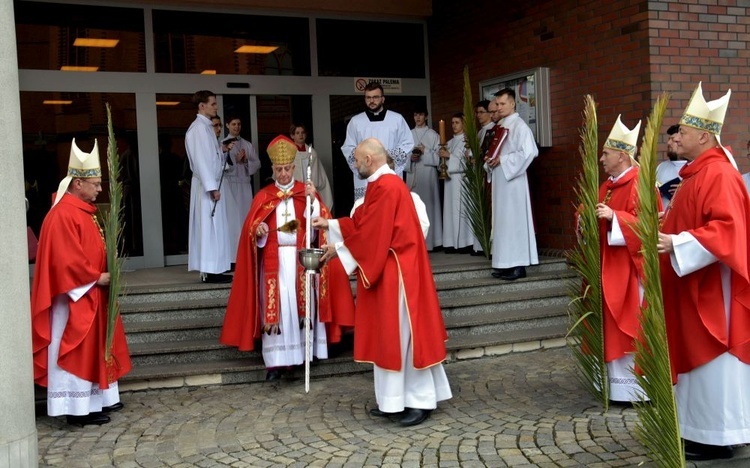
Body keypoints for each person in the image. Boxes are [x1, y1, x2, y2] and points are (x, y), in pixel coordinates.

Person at [312, 137, 452, 427]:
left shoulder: (388, 187)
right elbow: (364, 223)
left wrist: (338, 249)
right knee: (389, 337)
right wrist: (331, 226)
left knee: (404, 338)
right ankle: (392, 401)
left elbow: (372, 235)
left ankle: (419, 400)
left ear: (370, 160)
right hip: (390, 269)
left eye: (357, 160)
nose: (355, 165)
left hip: (400, 272)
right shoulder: (380, 185)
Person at [657, 82, 750, 461]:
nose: (677, 134)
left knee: (714, 361)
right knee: (701, 365)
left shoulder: (719, 174)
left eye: (682, 128)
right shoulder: (700, 173)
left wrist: (678, 244)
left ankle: (719, 436)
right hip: (693, 281)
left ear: (703, 134)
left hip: (714, 290)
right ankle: (701, 430)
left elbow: (728, 229)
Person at [220, 135, 354, 381]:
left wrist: (314, 203)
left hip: (301, 259)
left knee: (303, 308)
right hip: (274, 262)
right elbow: (252, 228)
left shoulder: (306, 191)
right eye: (278, 169)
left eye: (287, 168)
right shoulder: (263, 196)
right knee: (279, 310)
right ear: (272, 169)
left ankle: (303, 357)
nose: (283, 173)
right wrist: (258, 230)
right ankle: (276, 363)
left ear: (294, 167)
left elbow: (320, 224)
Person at [31, 138, 132, 427]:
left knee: (93, 350)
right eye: (96, 184)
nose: (100, 189)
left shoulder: (83, 212)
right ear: (78, 183)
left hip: (91, 294)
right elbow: (64, 260)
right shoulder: (62, 215)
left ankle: (91, 403)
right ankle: (75, 410)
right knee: (74, 349)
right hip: (73, 298)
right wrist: (94, 276)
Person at [593, 116, 661, 403]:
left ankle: (636, 389)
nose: (601, 159)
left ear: (622, 156)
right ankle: (613, 385)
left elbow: (652, 224)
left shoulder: (641, 184)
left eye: (606, 153)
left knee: (631, 325)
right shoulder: (607, 186)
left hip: (631, 270)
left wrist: (615, 218)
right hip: (609, 265)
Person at [485, 88, 539, 280]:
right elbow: (497, 151)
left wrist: (504, 161)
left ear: (513, 103)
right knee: (502, 222)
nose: (499, 108)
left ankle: (517, 265)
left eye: (502, 104)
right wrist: (490, 161)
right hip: (502, 181)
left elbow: (530, 152)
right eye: (497, 104)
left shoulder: (520, 126)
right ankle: (504, 263)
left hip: (513, 182)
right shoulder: (501, 125)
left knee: (513, 221)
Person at [185, 90, 233, 283]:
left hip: (210, 184)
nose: (216, 107)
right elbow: (201, 160)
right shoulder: (197, 129)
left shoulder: (206, 128)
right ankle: (209, 270)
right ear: (202, 106)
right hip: (206, 186)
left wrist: (220, 150)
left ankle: (216, 267)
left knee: (216, 227)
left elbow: (210, 155)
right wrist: (211, 187)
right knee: (208, 227)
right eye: (213, 104)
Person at [341, 82, 414, 201]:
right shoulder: (356, 122)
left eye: (375, 97)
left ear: (383, 99)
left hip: (389, 172)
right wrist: (365, 160)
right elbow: (348, 147)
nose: (372, 101)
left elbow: (407, 143)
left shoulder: (396, 119)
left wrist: (385, 158)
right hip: (366, 176)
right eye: (368, 97)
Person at [223, 115, 261, 264]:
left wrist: (245, 161)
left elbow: (257, 163)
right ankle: (232, 258)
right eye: (233, 124)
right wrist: (234, 161)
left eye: (239, 124)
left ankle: (245, 256)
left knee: (245, 219)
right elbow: (220, 167)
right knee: (231, 222)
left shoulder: (247, 144)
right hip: (231, 186)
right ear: (227, 125)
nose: (236, 127)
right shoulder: (223, 144)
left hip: (244, 186)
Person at [405, 105, 442, 251]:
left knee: (429, 207)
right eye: (415, 115)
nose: (418, 118)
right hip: (413, 174)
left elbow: (440, 158)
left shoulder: (433, 135)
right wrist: (411, 158)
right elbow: (401, 157)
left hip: (428, 176)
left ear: (426, 116)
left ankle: (431, 242)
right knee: (413, 209)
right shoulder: (407, 134)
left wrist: (425, 152)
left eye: (420, 114)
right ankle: (414, 242)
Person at [440, 113, 474, 253]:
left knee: (462, 211)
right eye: (452, 123)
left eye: (457, 122)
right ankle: (451, 242)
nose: (454, 125)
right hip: (449, 182)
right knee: (450, 212)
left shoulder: (467, 140)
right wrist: (441, 159)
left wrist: (449, 156)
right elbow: (441, 164)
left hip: (461, 180)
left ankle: (464, 242)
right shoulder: (448, 142)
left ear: (463, 124)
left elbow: (467, 163)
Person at [290, 123, 334, 210]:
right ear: (292, 135)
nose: (301, 135)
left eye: (303, 132)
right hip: (294, 192)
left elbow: (318, 174)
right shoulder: (289, 153)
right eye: (297, 133)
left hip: (309, 191)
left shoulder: (312, 153)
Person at [655, 124, 686, 209]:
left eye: (673, 140)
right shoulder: (661, 167)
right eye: (669, 139)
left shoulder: (692, 166)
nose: (669, 143)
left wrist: (684, 191)